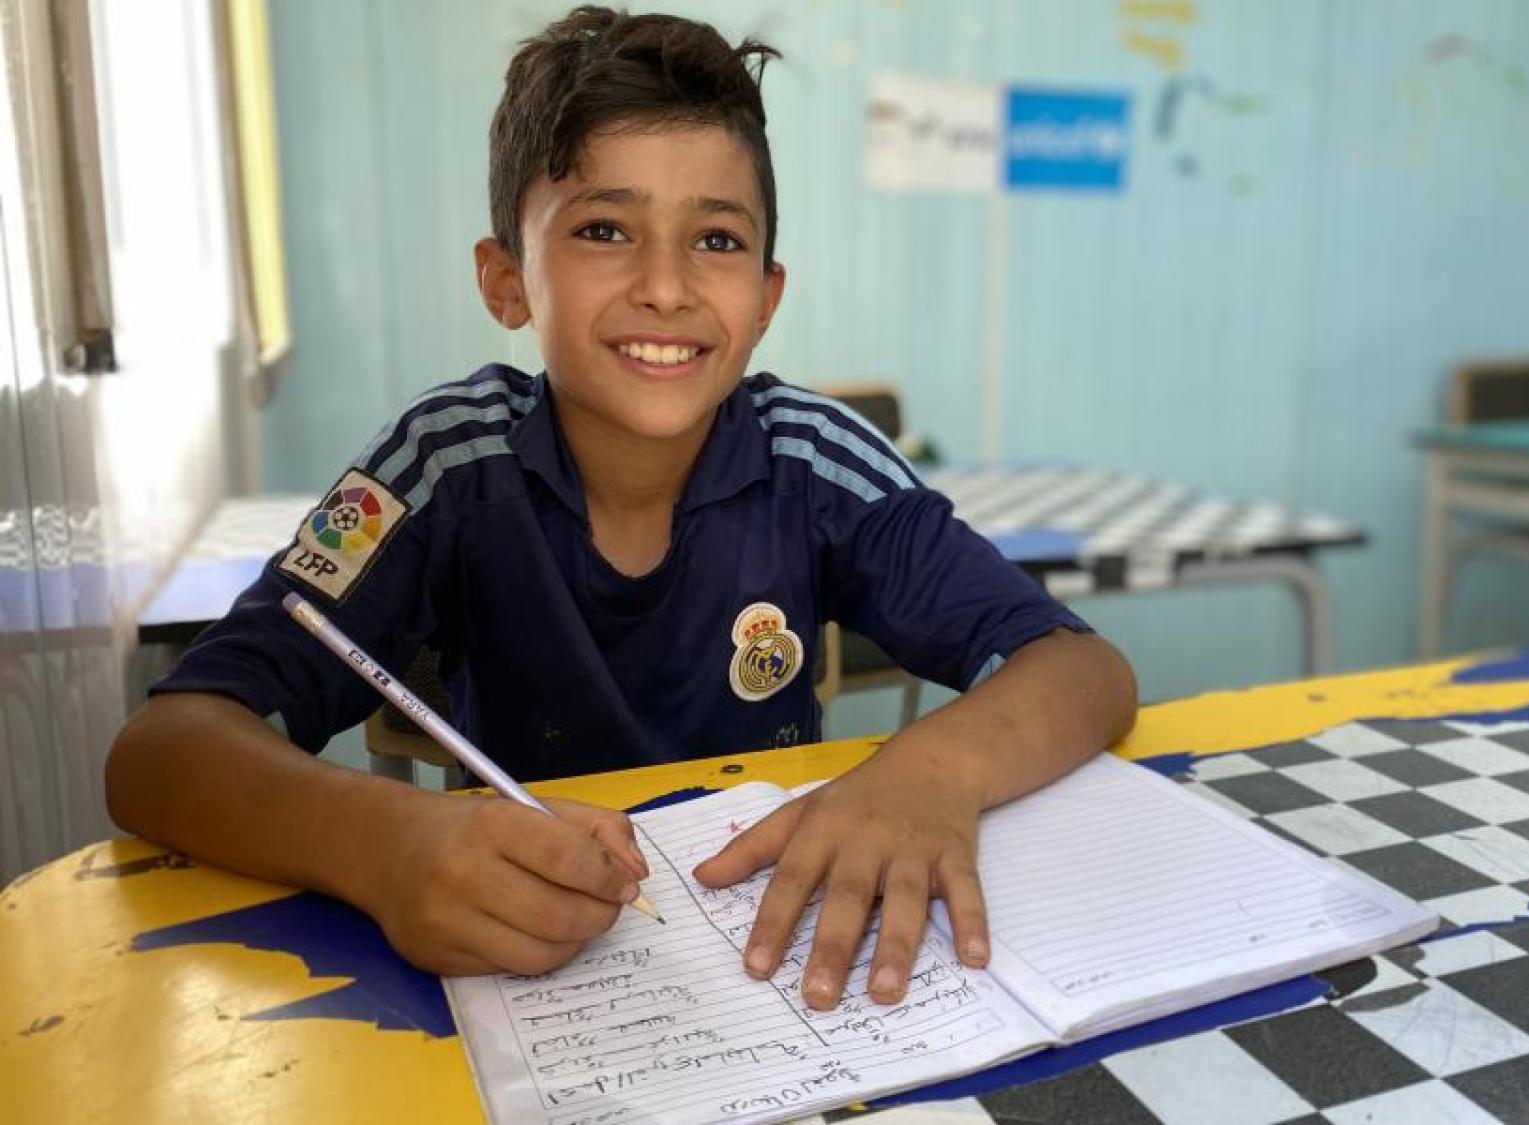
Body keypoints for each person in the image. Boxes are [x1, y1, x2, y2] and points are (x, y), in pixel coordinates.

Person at [106, 5, 1136, 1012]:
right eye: (604, 228)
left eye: (716, 241)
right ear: (507, 281)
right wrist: (386, 842)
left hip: (758, 978)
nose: (665, 287)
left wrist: (928, 774)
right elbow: (162, 753)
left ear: (766, 299)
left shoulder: (812, 461)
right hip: (520, 989)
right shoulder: (444, 465)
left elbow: (1080, 669)